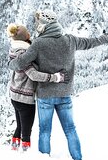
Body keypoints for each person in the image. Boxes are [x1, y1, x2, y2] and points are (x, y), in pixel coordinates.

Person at [8, 10, 108, 160]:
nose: (37, 26)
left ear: (44, 25)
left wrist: (11, 63)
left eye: (38, 24)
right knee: (70, 129)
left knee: (45, 131)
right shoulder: (70, 40)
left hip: (45, 95)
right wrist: (105, 38)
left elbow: (20, 62)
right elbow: (89, 43)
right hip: (64, 93)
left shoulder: (38, 44)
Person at [6, 23, 69, 152]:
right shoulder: (23, 54)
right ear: (25, 37)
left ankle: (14, 151)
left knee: (19, 126)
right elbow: (33, 75)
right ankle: (25, 154)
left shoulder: (14, 49)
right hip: (24, 98)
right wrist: (55, 77)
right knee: (26, 132)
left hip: (14, 96)